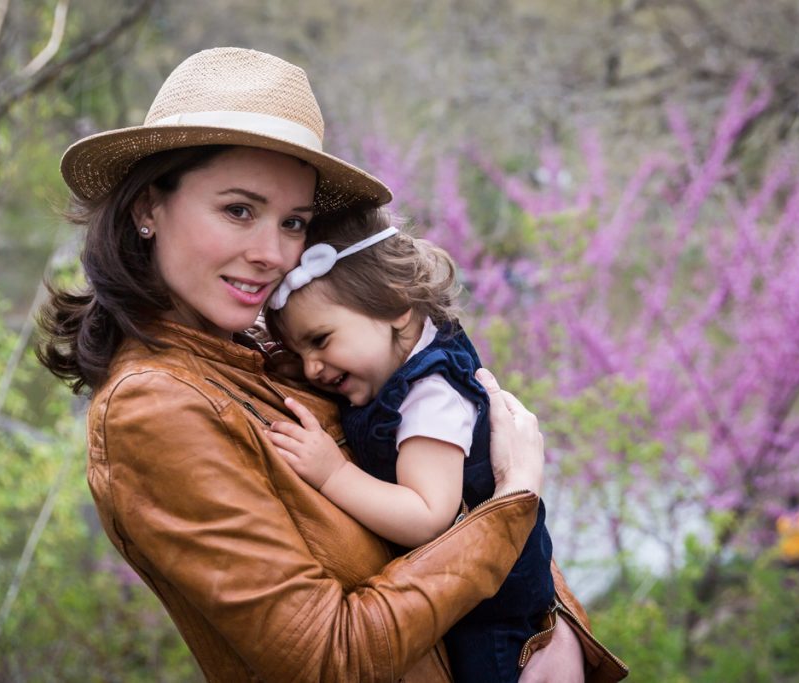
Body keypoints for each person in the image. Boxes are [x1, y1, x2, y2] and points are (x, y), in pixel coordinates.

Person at [38, 47, 627, 682]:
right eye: (239, 209)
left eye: (293, 221)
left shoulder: (275, 358)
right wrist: (516, 503)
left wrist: (549, 628)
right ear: (147, 208)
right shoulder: (155, 409)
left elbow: (455, 495)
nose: (273, 254)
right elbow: (329, 656)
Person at [263, 207, 556, 682]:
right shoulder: (393, 360)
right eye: (299, 353)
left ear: (395, 304)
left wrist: (333, 473)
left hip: (493, 618)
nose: (312, 367)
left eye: (320, 341)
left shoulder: (430, 395)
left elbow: (426, 516)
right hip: (465, 597)